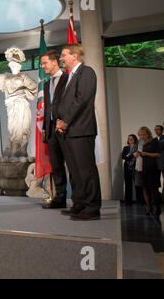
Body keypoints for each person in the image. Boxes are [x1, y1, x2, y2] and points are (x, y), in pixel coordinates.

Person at [56, 43, 102, 221]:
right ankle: (79, 203)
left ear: (74, 56)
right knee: (75, 171)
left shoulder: (87, 72)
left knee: (86, 170)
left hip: (81, 129)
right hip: (69, 131)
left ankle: (92, 207)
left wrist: (66, 120)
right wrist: (61, 121)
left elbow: (81, 99)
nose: (61, 58)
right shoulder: (69, 77)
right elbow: (67, 102)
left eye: (64, 55)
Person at [39, 49, 70, 209]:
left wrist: (65, 122)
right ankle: (60, 198)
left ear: (55, 62)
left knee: (71, 164)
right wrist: (44, 129)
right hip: (51, 131)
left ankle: (79, 198)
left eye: (45, 63)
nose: (43, 66)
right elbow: (47, 109)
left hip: (65, 128)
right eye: (42, 64)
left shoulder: (67, 79)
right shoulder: (46, 84)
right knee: (56, 165)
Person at [134, 126, 162, 226]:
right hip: (141, 168)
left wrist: (146, 153)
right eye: (140, 135)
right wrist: (136, 154)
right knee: (144, 188)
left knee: (153, 188)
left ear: (148, 134)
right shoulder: (140, 142)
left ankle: (157, 207)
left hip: (152, 168)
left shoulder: (154, 141)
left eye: (143, 134)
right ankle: (149, 206)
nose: (142, 136)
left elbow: (158, 154)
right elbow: (138, 152)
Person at [122, 134, 138, 206]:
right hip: (127, 167)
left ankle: (140, 200)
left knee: (137, 184)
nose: (130, 140)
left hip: (136, 167)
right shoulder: (126, 148)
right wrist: (132, 156)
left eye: (132, 138)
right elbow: (123, 157)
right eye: (129, 139)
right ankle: (128, 201)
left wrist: (129, 156)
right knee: (128, 184)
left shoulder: (138, 147)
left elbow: (138, 156)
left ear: (135, 139)